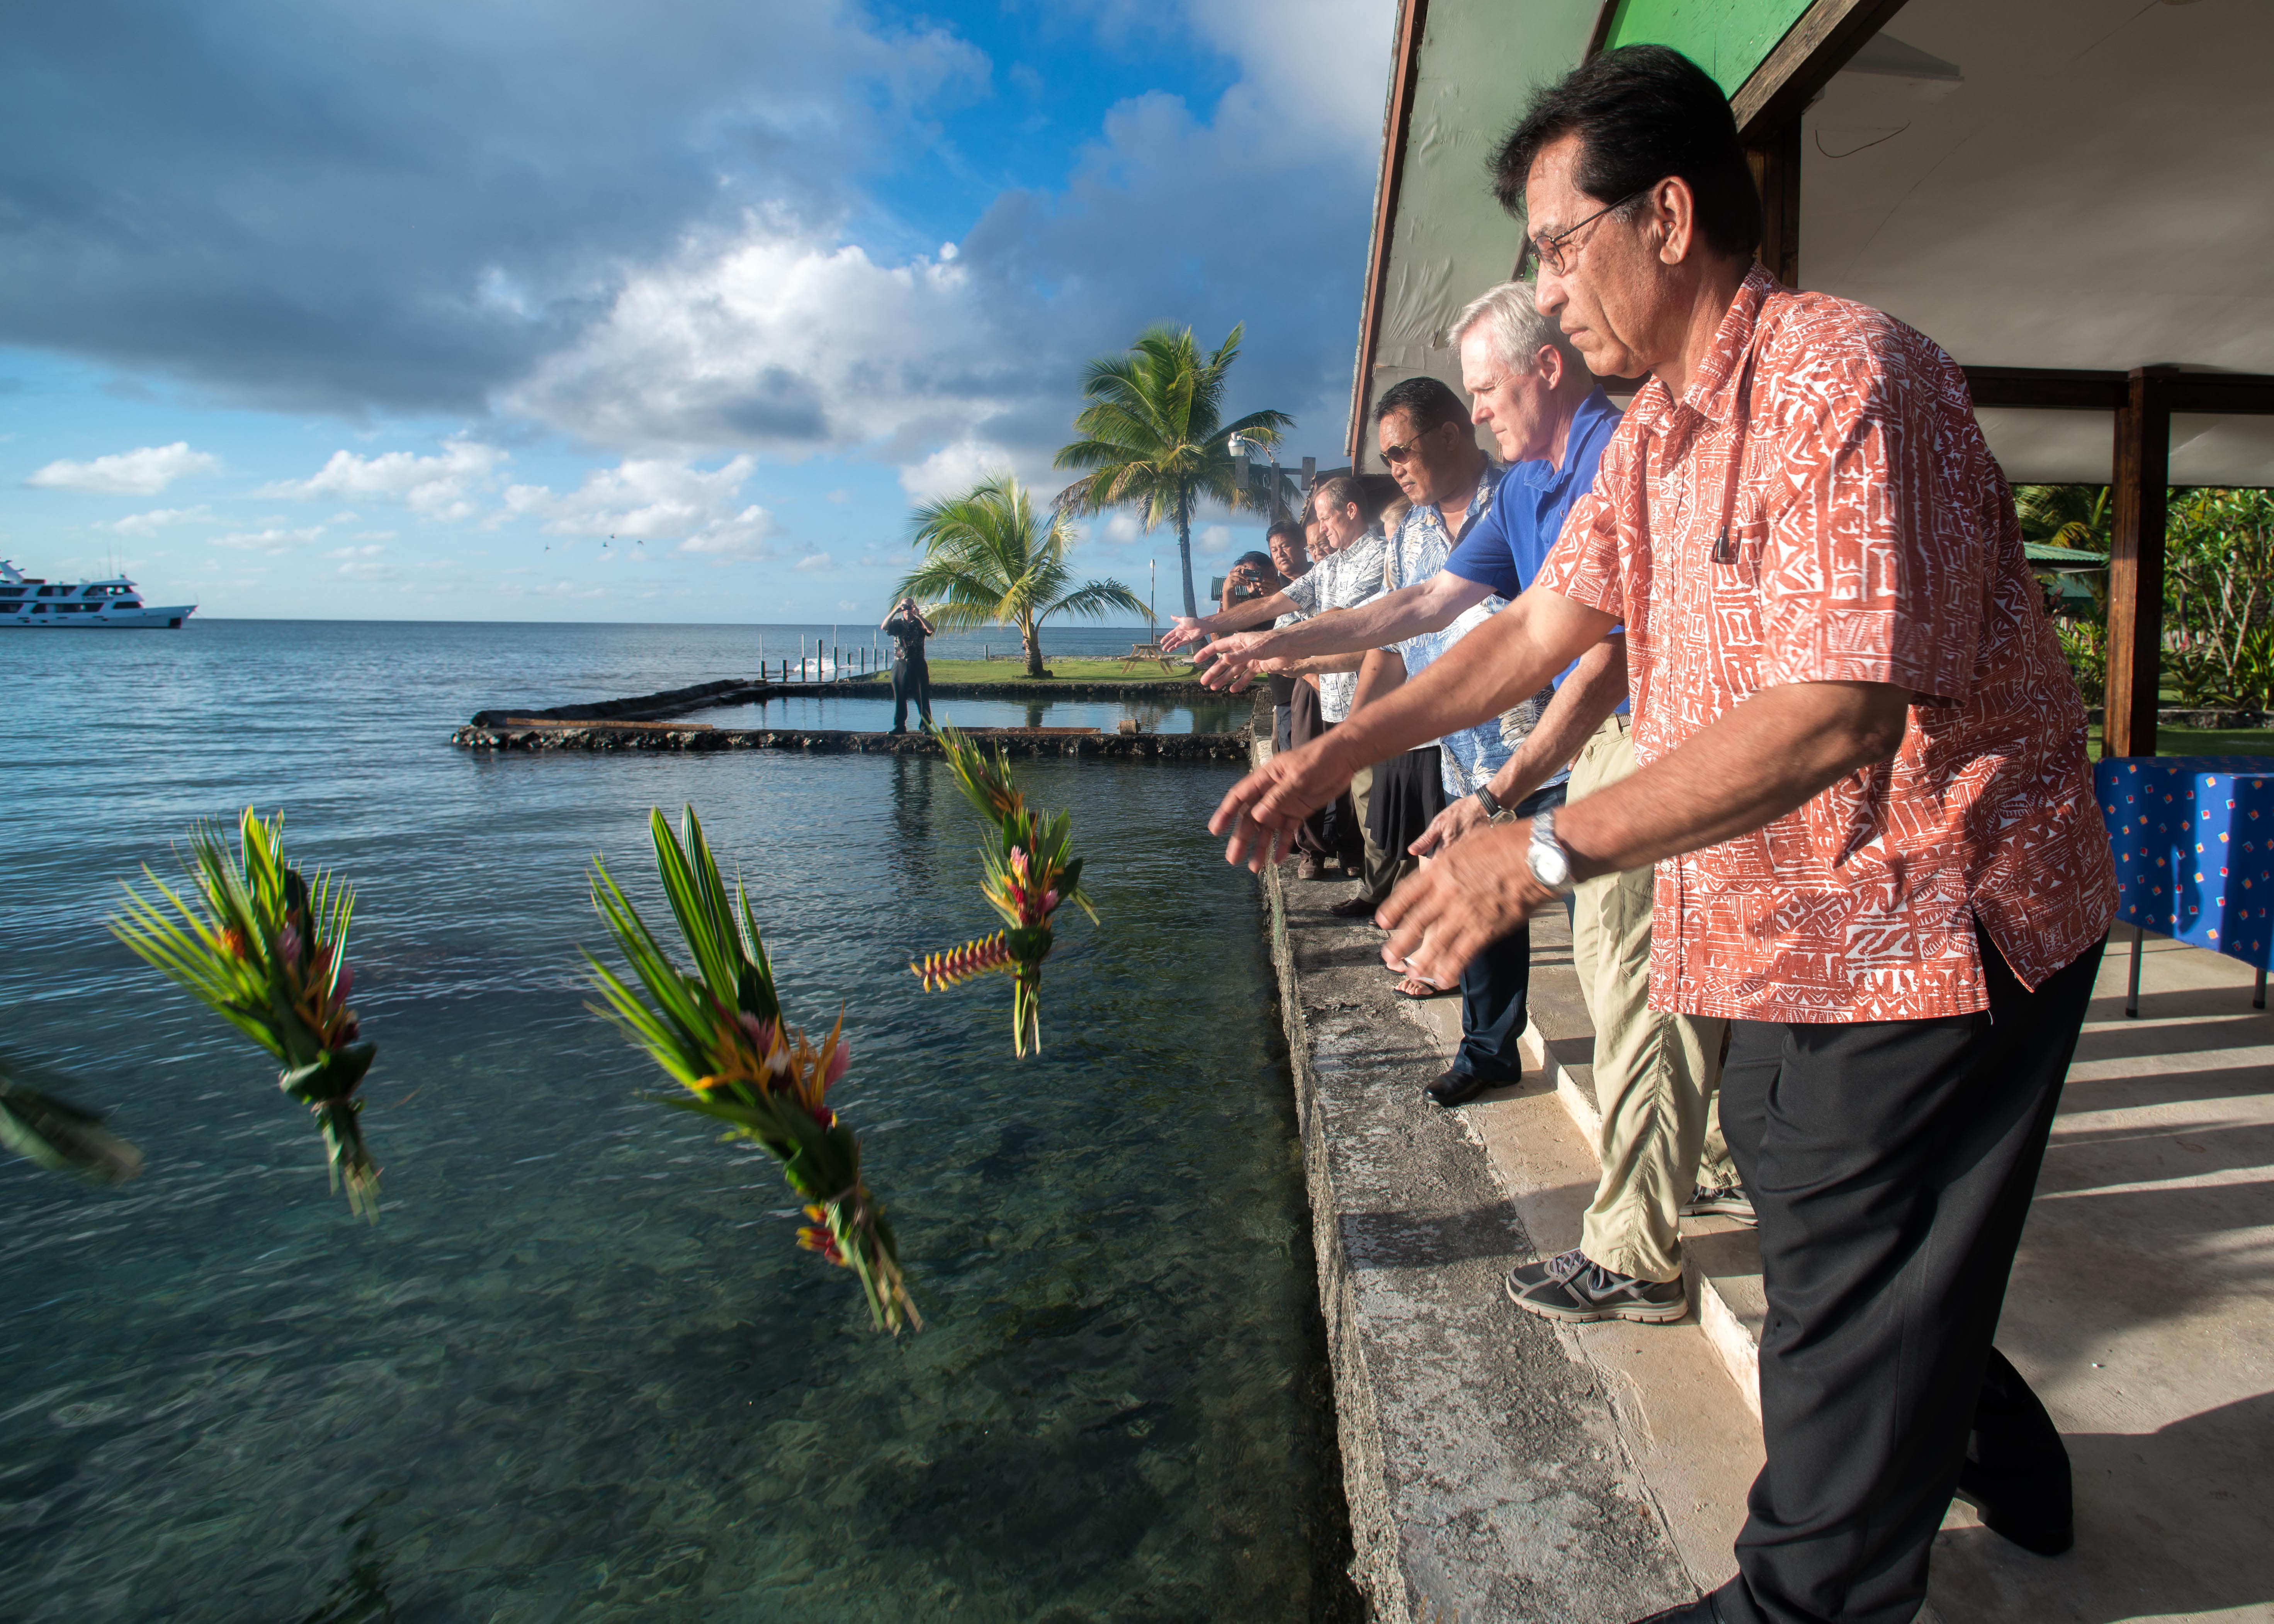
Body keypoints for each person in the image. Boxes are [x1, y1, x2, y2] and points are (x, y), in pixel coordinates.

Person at [1207, 44, 2116, 1624]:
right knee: (1855, 1254)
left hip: (1926, 921)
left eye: (1558, 243)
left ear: (1669, 213)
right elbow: (1527, 627)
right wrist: (1339, 745)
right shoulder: (1654, 434)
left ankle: (1803, 1598)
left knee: (1843, 1275)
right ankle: (1981, 1435)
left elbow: (1838, 710)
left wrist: (1540, 846)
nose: (1545, 292)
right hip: (1771, 926)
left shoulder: (1848, 376)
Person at [1162, 483, 1387, 879]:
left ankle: (1379, 893)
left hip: (1370, 702)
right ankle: (1367, 886)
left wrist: (1269, 647)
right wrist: (1206, 624)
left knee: (1371, 807)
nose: (1318, 529)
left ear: (1351, 511)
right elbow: (1271, 605)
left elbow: (1343, 620)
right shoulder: (1331, 566)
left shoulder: (1378, 555)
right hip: (1332, 701)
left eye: (1322, 518)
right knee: (1348, 796)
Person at [881, 596, 934, 734]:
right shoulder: (898, 623)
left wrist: (919, 616)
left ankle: (926, 726)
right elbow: (884, 627)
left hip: (918, 662)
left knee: (922, 695)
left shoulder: (919, 623)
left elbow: (931, 630)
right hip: (901, 663)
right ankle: (899, 726)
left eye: (910, 607)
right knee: (900, 695)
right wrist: (895, 611)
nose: (908, 610)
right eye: (905, 607)